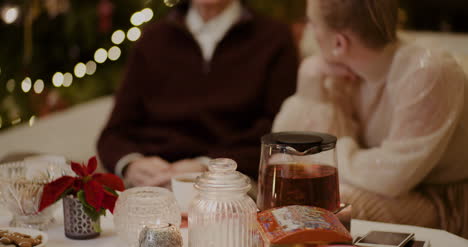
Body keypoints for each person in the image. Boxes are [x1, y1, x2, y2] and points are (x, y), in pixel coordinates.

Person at [273, 0, 468, 238]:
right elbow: (282, 153)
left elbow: (391, 177)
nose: (309, 30)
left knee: (319, 203)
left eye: (312, 24)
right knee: (295, 188)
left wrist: (329, 156)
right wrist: (309, 86)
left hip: (440, 198)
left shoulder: (427, 71)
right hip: (371, 185)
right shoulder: (340, 68)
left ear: (339, 42)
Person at [97, 0, 298, 188]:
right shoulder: (153, 38)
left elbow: (278, 136)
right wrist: (131, 164)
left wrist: (208, 166)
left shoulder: (274, 37)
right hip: (154, 182)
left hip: (231, 183)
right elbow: (114, 133)